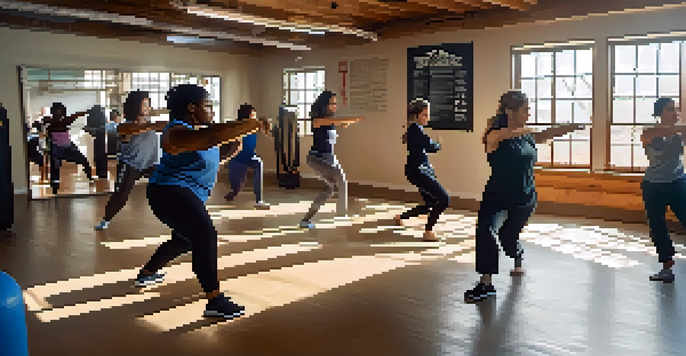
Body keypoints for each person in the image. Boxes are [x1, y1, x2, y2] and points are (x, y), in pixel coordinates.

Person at [134, 84, 263, 319]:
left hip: (184, 193)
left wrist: (234, 144)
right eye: (208, 105)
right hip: (168, 192)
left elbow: (212, 156)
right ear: (192, 108)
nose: (212, 111)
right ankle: (214, 300)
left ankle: (147, 272)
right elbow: (204, 140)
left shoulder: (200, 131)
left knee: (184, 240)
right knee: (205, 234)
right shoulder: (176, 131)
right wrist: (244, 125)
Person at [464, 90, 584, 303]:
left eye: (529, 110)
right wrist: (526, 130)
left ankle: (517, 254)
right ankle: (486, 283)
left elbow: (543, 136)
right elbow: (503, 135)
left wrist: (567, 128)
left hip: (524, 196)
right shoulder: (494, 135)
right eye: (525, 110)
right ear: (510, 111)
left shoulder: (525, 135)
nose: (528, 114)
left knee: (507, 238)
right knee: (486, 231)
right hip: (497, 194)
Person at [94, 90, 168, 230]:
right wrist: (153, 125)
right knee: (121, 196)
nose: (148, 108)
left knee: (170, 186)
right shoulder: (125, 126)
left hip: (151, 164)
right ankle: (105, 220)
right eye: (144, 105)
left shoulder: (149, 123)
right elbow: (130, 131)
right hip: (130, 165)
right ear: (135, 106)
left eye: (149, 105)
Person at [298, 91, 364, 229]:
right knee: (340, 181)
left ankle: (306, 219)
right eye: (332, 103)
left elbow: (339, 123)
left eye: (335, 103)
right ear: (325, 105)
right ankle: (340, 214)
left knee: (332, 188)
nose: (335, 106)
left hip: (330, 158)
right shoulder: (318, 120)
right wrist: (355, 119)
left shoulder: (330, 122)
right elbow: (337, 121)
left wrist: (347, 123)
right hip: (317, 158)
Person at [640, 97, 686, 283]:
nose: (675, 113)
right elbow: (656, 133)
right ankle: (666, 268)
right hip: (653, 185)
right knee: (658, 227)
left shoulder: (681, 131)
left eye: (676, 109)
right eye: (670, 109)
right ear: (659, 113)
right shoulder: (650, 131)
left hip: (677, 181)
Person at [394, 99, 449, 242]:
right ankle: (428, 231)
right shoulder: (414, 130)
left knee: (429, 204)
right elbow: (431, 146)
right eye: (424, 115)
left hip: (419, 170)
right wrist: (438, 144)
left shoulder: (415, 130)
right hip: (417, 171)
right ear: (417, 115)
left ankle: (400, 217)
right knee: (443, 199)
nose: (427, 118)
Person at [224, 103, 272, 209]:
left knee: (258, 163)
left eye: (254, 115)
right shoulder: (237, 126)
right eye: (252, 115)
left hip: (250, 157)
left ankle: (259, 200)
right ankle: (231, 194)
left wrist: (266, 123)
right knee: (236, 189)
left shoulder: (255, 126)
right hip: (237, 160)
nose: (254, 117)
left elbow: (265, 128)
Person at [41, 103, 92, 195]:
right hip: (56, 147)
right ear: (54, 112)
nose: (59, 114)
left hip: (68, 146)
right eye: (57, 112)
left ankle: (90, 176)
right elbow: (43, 126)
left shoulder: (65, 121)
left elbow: (76, 115)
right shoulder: (50, 122)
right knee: (55, 168)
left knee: (83, 160)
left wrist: (87, 112)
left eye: (60, 112)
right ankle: (55, 188)